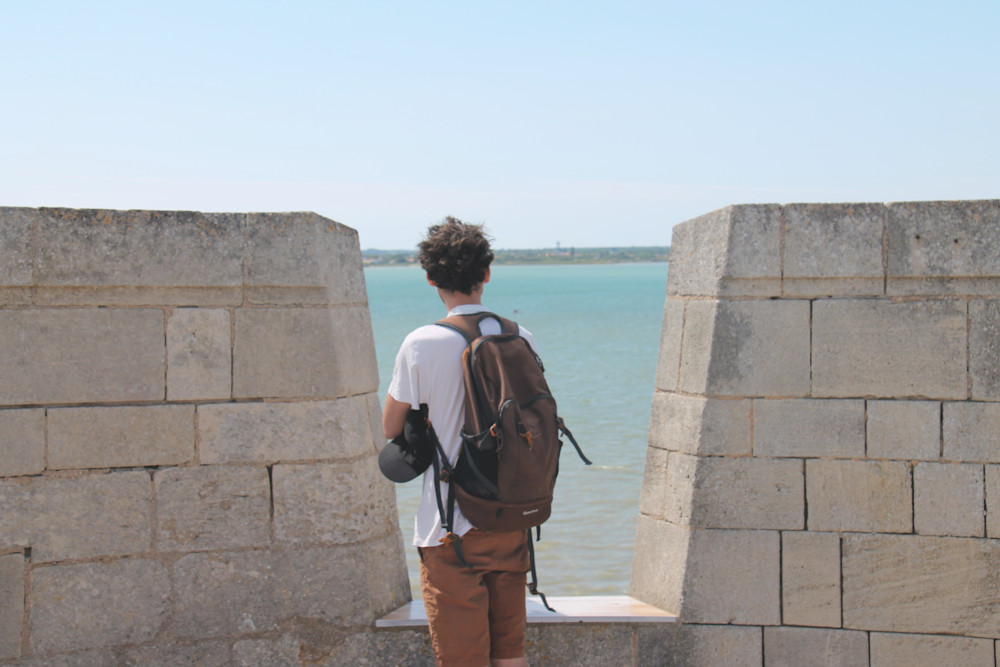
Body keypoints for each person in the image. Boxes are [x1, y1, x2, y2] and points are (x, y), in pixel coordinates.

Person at [383, 217, 533, 667]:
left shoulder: (421, 343)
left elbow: (391, 427)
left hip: (450, 528)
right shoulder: (519, 336)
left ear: (431, 279)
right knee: (510, 656)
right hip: (511, 516)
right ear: (486, 274)